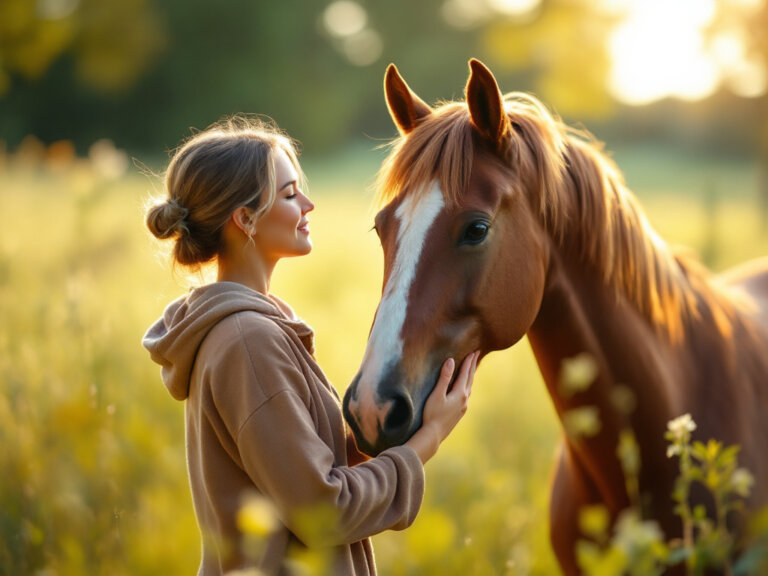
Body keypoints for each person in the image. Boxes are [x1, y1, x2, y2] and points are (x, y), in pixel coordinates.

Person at [142, 116, 478, 576]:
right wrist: (429, 439)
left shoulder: (252, 329)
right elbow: (325, 511)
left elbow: (301, 471)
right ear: (245, 219)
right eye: (289, 193)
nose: (309, 203)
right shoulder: (248, 342)